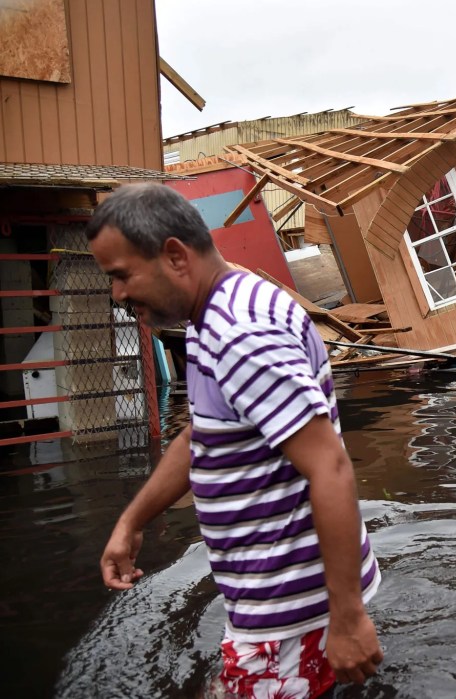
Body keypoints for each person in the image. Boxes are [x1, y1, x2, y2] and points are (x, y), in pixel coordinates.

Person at [88, 183, 383, 698]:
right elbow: (201, 435)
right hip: (284, 597)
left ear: (175, 256)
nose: (118, 294)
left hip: (288, 610)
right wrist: (131, 521)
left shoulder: (240, 336)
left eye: (121, 275)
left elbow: (330, 467)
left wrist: (348, 618)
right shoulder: (213, 315)